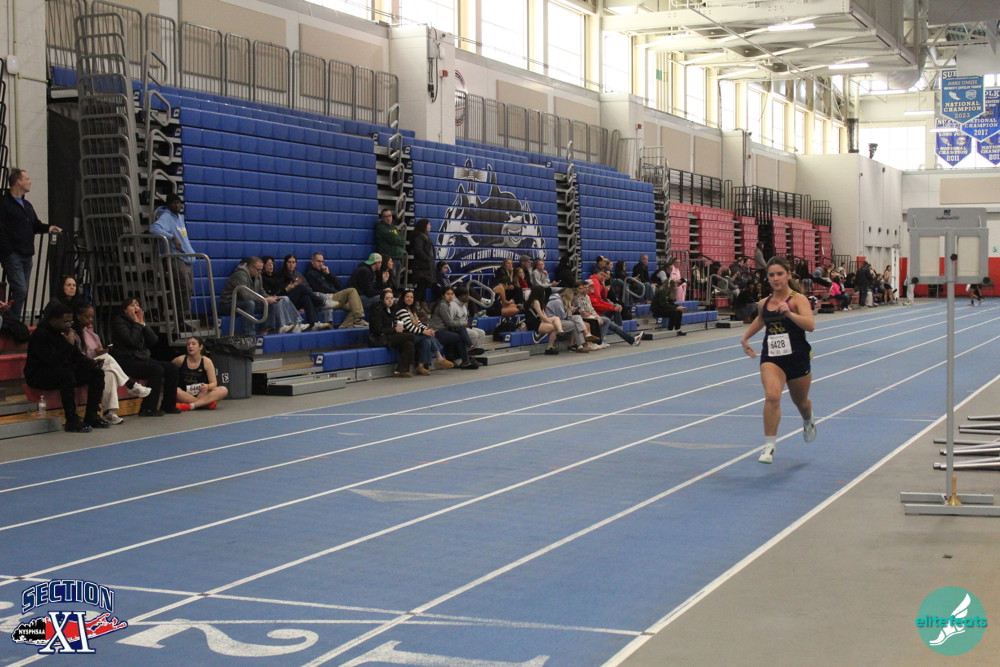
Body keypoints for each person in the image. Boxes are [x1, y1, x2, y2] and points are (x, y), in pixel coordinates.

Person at [740, 257, 817, 464]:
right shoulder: (764, 303)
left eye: (780, 274)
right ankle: (769, 446)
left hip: (797, 357)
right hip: (772, 358)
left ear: (788, 275)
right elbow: (761, 319)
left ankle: (808, 419)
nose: (775, 278)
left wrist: (789, 314)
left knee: (801, 402)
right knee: (772, 397)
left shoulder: (798, 299)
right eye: (771, 275)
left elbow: (810, 325)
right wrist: (745, 338)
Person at [24, 300, 107, 432]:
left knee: (96, 373)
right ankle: (71, 420)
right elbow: (52, 360)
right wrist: (69, 344)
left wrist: (91, 363)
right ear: (54, 320)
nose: (69, 324)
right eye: (66, 321)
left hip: (59, 370)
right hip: (38, 374)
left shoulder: (63, 332)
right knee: (66, 375)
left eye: (70, 321)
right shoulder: (40, 334)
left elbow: (75, 356)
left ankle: (92, 415)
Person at [72, 302, 152, 425]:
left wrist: (100, 352)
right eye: (87, 317)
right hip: (80, 368)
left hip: (96, 367)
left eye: (92, 317)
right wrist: (98, 356)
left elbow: (96, 353)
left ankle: (109, 413)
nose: (90, 320)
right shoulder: (72, 334)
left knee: (110, 373)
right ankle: (131, 385)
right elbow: (78, 357)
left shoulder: (92, 334)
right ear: (78, 316)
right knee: (107, 359)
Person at [0, 169, 63, 320]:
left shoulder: (27, 205)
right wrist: (8, 250)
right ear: (18, 181)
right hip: (13, 253)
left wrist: (48, 228)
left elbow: (35, 225)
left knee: (22, 289)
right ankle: (12, 319)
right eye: (27, 179)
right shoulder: (4, 203)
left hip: (27, 253)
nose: (30, 182)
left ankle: (10, 317)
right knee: (20, 288)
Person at [110, 296, 181, 417]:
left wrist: (142, 323)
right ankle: (148, 409)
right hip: (125, 360)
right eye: (132, 305)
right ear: (125, 310)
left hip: (141, 358)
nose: (136, 307)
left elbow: (153, 340)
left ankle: (168, 405)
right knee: (156, 369)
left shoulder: (138, 321)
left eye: (137, 305)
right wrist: (137, 324)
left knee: (171, 368)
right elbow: (131, 341)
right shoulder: (118, 322)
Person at [220, 256, 301, 333]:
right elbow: (245, 296)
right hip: (229, 304)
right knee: (250, 304)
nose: (260, 272)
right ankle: (250, 333)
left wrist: (270, 298)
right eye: (258, 270)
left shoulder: (258, 275)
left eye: (261, 270)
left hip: (246, 302)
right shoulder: (240, 275)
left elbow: (261, 291)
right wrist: (264, 300)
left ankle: (266, 330)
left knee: (270, 303)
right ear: (250, 267)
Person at [149, 193, 195, 323]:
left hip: (187, 256)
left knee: (189, 288)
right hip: (176, 257)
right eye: (174, 203)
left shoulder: (179, 217)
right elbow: (154, 228)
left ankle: (166, 304)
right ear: (168, 204)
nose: (177, 205)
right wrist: (172, 237)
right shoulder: (166, 216)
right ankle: (181, 318)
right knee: (183, 287)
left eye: (179, 202)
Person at [395, 288, 454, 375]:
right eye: (407, 297)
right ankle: (439, 357)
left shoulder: (411, 310)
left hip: (414, 334)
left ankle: (421, 367)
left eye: (411, 297)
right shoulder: (402, 310)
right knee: (427, 336)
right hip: (406, 336)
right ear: (403, 298)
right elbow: (409, 327)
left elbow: (419, 323)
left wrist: (427, 330)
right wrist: (424, 332)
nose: (409, 299)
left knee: (426, 341)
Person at [304, 252, 368, 328]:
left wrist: (328, 274)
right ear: (312, 262)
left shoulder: (324, 272)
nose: (321, 264)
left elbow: (339, 285)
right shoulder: (310, 274)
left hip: (335, 297)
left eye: (322, 262)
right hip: (328, 297)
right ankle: (357, 320)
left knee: (356, 306)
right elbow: (320, 288)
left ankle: (345, 325)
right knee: (352, 290)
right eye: (318, 261)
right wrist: (336, 292)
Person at [259, 255, 322, 332]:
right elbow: (275, 293)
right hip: (279, 300)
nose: (271, 266)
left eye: (272, 264)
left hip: (287, 299)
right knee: (300, 287)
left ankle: (313, 323)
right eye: (268, 264)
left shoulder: (277, 276)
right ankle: (321, 302)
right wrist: (287, 289)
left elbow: (307, 286)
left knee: (305, 296)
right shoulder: (277, 276)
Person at [368, 288, 416, 378]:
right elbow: (378, 330)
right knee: (412, 336)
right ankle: (413, 364)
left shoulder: (393, 308)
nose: (390, 300)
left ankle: (401, 370)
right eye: (387, 298)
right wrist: (394, 329)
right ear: (382, 299)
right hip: (380, 337)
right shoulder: (377, 310)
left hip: (390, 336)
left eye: (391, 298)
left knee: (408, 344)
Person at [428, 286, 479, 369]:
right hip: (437, 332)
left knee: (461, 328)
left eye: (452, 294)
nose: (450, 296)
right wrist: (463, 323)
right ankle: (466, 359)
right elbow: (450, 323)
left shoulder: (446, 304)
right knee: (460, 336)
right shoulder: (443, 305)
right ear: (443, 295)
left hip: (444, 330)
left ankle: (469, 350)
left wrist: (461, 324)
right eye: (448, 294)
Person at [172, 336, 229, 410]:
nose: (190, 346)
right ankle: (205, 404)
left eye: (193, 344)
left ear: (200, 347)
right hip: (184, 393)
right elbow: (168, 370)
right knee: (175, 390)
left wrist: (207, 386)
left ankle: (190, 406)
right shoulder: (179, 360)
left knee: (223, 390)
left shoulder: (207, 362)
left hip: (201, 393)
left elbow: (214, 383)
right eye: (188, 344)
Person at [546, 287, 596, 352]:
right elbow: (562, 316)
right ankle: (580, 344)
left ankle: (586, 336)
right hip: (553, 321)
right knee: (574, 324)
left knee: (577, 317)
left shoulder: (560, 300)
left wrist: (568, 311)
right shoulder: (558, 302)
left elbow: (564, 315)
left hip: (558, 319)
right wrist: (569, 311)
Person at [524, 285, 564, 355]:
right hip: (533, 323)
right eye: (543, 292)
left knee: (556, 318)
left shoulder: (539, 301)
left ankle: (560, 331)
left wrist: (549, 321)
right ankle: (549, 347)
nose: (545, 293)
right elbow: (541, 316)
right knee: (555, 328)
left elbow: (544, 314)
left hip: (538, 320)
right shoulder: (535, 301)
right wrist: (550, 322)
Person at [374, 208, 406, 284]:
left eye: (390, 216)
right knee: (389, 280)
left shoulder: (393, 227)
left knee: (396, 281)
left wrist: (397, 239)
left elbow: (402, 240)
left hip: (397, 258)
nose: (388, 218)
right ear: (382, 218)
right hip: (387, 259)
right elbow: (393, 239)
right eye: (385, 216)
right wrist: (397, 239)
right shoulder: (380, 227)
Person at [409, 219, 435, 305]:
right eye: (429, 224)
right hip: (421, 266)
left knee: (424, 286)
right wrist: (426, 258)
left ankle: (422, 303)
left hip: (426, 266)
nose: (430, 226)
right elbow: (418, 250)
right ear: (424, 226)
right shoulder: (419, 237)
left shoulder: (426, 236)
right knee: (421, 285)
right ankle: (417, 303)